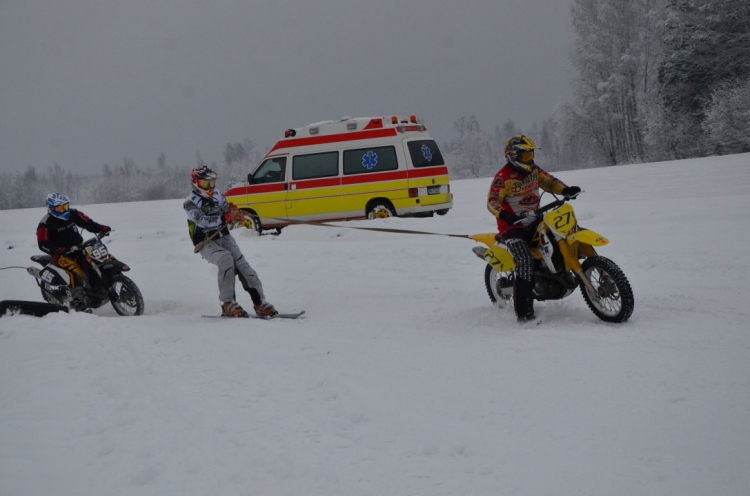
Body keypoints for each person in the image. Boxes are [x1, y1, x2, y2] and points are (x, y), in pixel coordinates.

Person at [487, 135, 581, 322]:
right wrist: (505, 215)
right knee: (524, 260)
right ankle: (524, 314)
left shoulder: (534, 171)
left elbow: (550, 181)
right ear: (513, 156)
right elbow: (492, 201)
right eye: (526, 155)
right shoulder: (503, 177)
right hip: (512, 226)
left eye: (531, 154)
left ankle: (556, 275)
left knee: (561, 235)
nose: (530, 159)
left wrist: (565, 190)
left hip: (536, 217)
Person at [184, 165, 278, 318]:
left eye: (212, 183)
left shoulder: (218, 195)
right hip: (206, 241)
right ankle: (228, 303)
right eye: (206, 183)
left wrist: (235, 212)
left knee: (243, 264)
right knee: (225, 259)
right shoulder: (190, 203)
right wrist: (225, 216)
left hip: (224, 236)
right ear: (196, 183)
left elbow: (226, 209)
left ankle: (260, 303)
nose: (210, 187)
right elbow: (202, 221)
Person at [37, 192, 111, 292]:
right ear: (52, 208)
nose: (65, 209)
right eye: (61, 208)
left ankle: (101, 286)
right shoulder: (45, 223)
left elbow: (88, 223)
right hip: (62, 255)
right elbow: (42, 244)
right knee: (75, 272)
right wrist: (58, 250)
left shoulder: (73, 213)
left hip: (80, 248)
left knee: (101, 260)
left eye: (66, 206)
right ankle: (77, 296)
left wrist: (101, 228)